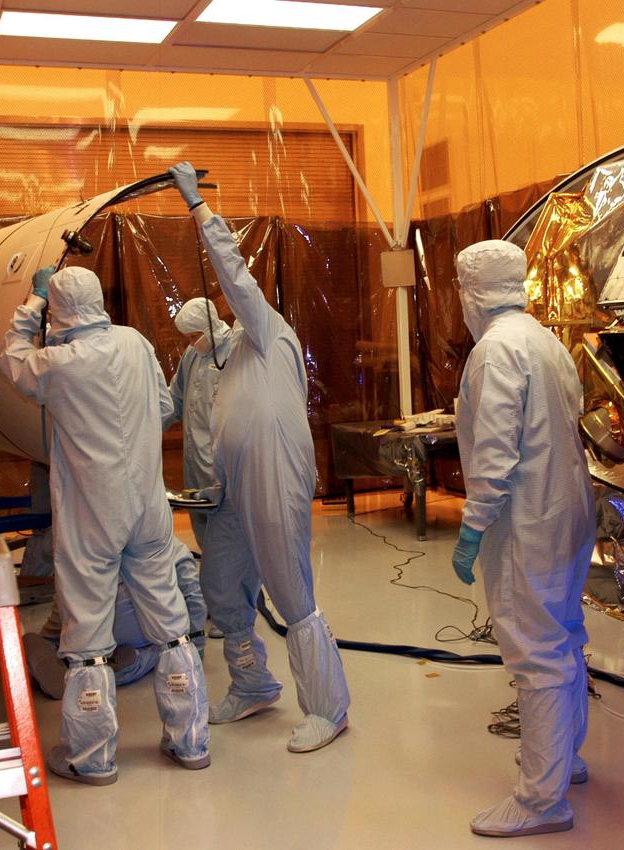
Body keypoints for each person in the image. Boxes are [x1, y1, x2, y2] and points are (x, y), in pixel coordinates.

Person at [0, 264, 210, 783]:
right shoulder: (135, 343)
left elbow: (11, 360)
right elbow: (163, 407)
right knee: (171, 626)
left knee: (88, 638)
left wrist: (31, 302)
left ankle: (91, 757)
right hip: (146, 504)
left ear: (60, 309)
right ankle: (190, 741)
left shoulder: (58, 363)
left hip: (92, 514)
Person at [166, 162, 350, 753]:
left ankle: (328, 707)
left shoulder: (265, 331)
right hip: (229, 483)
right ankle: (252, 684)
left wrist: (199, 210)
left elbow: (235, 274)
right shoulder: (214, 358)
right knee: (225, 586)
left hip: (274, 473)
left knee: (290, 587)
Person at [449, 239, 595, 837]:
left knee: (535, 655)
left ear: (472, 291)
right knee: (563, 636)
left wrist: (472, 525)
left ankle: (541, 800)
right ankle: (565, 761)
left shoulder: (494, 350)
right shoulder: (543, 339)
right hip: (567, 513)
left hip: (526, 521)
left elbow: (494, 451)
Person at [25, 536, 208, 698]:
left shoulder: (83, 550)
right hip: (151, 634)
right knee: (165, 646)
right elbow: (195, 598)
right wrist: (195, 649)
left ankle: (76, 667)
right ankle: (139, 660)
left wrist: (52, 638)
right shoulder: (172, 547)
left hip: (87, 635)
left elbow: (65, 605)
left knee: (32, 641)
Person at [162, 297, 231, 551]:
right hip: (194, 459)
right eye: (188, 338)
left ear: (210, 326)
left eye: (194, 336)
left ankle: (235, 587)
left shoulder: (232, 351)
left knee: (228, 531)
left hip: (221, 461)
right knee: (202, 527)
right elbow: (175, 398)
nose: (191, 343)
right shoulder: (193, 354)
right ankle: (214, 586)